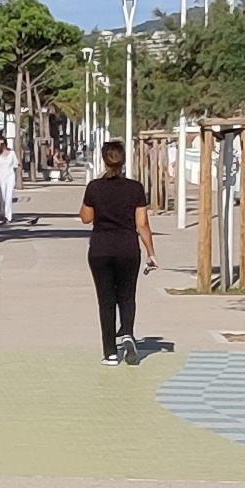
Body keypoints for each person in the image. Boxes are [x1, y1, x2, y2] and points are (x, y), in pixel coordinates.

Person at [78, 138, 155, 363]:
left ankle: (110, 352)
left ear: (104, 160)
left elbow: (86, 218)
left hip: (101, 249)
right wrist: (151, 252)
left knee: (106, 300)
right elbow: (142, 224)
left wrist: (93, 203)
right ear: (123, 161)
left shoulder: (94, 187)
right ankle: (127, 332)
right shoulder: (135, 188)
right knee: (127, 295)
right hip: (128, 249)